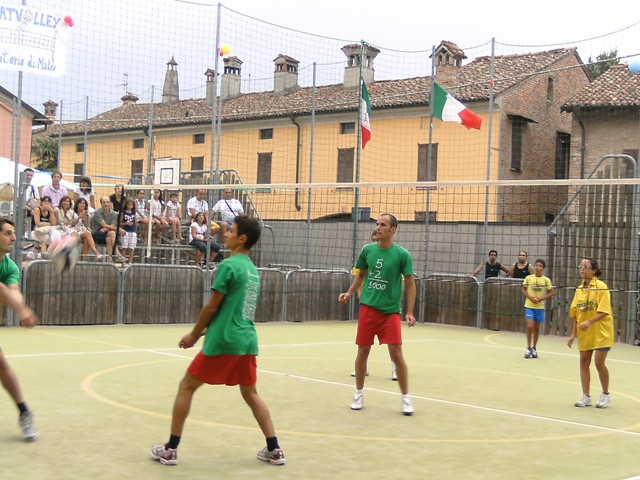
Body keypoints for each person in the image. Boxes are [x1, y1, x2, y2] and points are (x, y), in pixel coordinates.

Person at [151, 216, 285, 467]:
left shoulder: (228, 266)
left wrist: (194, 334)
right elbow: (235, 310)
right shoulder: (252, 270)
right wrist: (207, 329)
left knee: (186, 387)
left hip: (225, 341)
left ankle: (170, 449)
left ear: (242, 238)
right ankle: (274, 449)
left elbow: (212, 307)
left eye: (230, 231)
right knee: (251, 393)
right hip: (247, 340)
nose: (225, 234)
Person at [338, 214, 416, 415]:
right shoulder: (367, 250)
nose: (378, 227)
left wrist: (409, 311)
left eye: (383, 225)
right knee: (362, 352)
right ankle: (358, 393)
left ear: (393, 230)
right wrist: (349, 292)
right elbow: (361, 276)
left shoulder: (402, 254)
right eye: (377, 224)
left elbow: (410, 284)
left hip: (390, 311)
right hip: (368, 308)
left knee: (396, 353)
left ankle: (406, 397)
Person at [0, 219, 38, 440]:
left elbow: (13, 291)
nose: (13, 238)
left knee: (2, 366)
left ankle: (24, 412)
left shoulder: (10, 267)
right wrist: (22, 311)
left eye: (13, 233)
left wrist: (21, 307)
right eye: (7, 233)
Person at [349, 230, 397, 381]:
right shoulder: (367, 253)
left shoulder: (394, 257)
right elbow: (359, 276)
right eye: (374, 238)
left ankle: (395, 369)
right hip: (368, 303)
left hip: (387, 306)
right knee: (364, 341)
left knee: (392, 342)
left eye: (378, 238)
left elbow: (400, 282)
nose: (376, 241)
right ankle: (363, 368)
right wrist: (358, 293)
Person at [567, 257, 614, 409]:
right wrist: (573, 334)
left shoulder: (601, 287)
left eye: (585, 266)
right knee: (583, 361)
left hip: (601, 331)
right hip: (585, 332)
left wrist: (589, 321)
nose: (582, 268)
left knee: (599, 363)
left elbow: (604, 311)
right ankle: (585, 396)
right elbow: (575, 313)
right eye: (580, 266)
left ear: (594, 271)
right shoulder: (579, 290)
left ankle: (606, 394)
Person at [520, 258, 554, 359]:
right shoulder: (528, 278)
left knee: (537, 328)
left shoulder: (546, 280)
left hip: (539, 307)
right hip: (529, 305)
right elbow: (523, 289)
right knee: (530, 326)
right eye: (537, 265)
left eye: (540, 266)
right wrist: (530, 298)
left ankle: (534, 348)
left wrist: (541, 299)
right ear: (534, 267)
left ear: (543, 268)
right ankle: (528, 347)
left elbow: (552, 292)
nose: (538, 267)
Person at [91, 196, 126, 263]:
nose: (106, 204)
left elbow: (111, 226)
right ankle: (117, 253)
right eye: (104, 202)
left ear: (110, 203)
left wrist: (106, 229)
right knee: (112, 233)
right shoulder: (97, 212)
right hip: (97, 233)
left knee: (109, 238)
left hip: (107, 233)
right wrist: (119, 229)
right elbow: (104, 225)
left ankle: (110, 260)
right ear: (101, 203)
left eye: (107, 202)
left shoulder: (114, 214)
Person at [22, 168, 40, 235]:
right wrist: (30, 209)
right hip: (22, 211)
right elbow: (19, 202)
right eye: (27, 175)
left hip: (32, 211)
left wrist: (35, 210)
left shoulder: (34, 187)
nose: (29, 177)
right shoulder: (19, 186)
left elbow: (38, 200)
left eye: (31, 175)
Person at [120, 199, 138, 264]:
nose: (130, 206)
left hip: (133, 231)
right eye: (129, 205)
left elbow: (135, 221)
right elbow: (120, 223)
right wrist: (126, 223)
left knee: (132, 248)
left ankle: (130, 261)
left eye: (131, 205)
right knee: (124, 247)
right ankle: (123, 261)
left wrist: (135, 223)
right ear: (126, 205)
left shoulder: (134, 213)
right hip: (125, 231)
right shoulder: (123, 213)